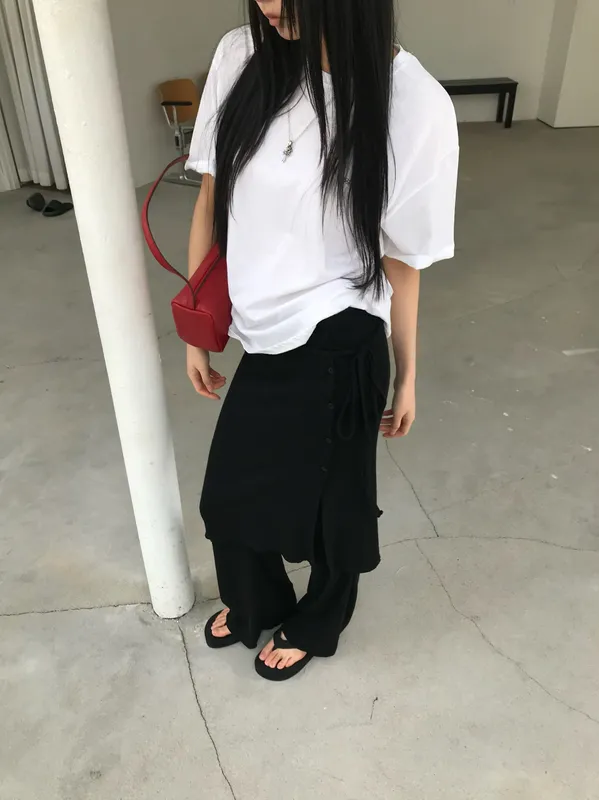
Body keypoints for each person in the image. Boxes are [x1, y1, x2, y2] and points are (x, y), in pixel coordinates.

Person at [185, 0, 459, 681]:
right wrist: (196, 328)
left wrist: (407, 372)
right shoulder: (241, 57)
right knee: (228, 498)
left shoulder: (412, 104)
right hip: (260, 332)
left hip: (340, 330)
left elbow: (402, 261)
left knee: (334, 506)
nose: (269, 3)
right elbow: (210, 201)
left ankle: (318, 620)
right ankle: (258, 601)